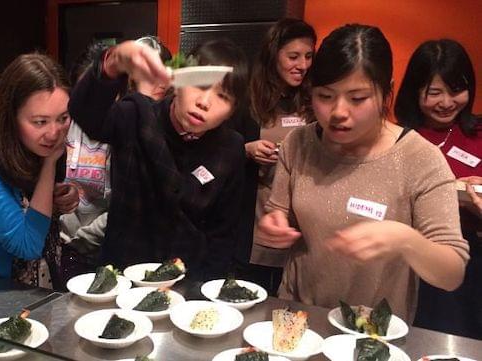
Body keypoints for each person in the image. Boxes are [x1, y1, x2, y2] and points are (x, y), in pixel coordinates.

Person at [256, 24, 469, 322]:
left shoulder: (420, 158)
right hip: (299, 316)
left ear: (386, 92)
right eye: (325, 96)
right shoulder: (299, 143)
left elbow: (452, 272)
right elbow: (280, 209)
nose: (338, 111)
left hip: (372, 330)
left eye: (357, 98)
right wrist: (275, 223)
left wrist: (406, 240)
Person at [69, 39, 248, 280]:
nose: (204, 102)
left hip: (187, 282)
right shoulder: (137, 114)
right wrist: (111, 64)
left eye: (223, 96)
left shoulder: (231, 147)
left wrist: (203, 290)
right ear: (178, 81)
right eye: (198, 85)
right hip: (122, 277)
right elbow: (84, 112)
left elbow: (223, 233)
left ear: (233, 110)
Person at [0, 53, 78, 287]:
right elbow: (27, 244)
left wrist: (56, 198)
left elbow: (31, 207)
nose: (54, 133)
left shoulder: (33, 143)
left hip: (43, 284)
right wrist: (49, 165)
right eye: (40, 121)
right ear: (10, 116)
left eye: (63, 118)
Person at [395, 39, 481, 337]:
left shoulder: (479, 133)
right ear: (415, 91)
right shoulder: (399, 138)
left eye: (456, 91)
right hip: (410, 258)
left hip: (471, 261)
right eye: (434, 93)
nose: (447, 102)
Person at [233, 18, 316, 295]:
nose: (302, 65)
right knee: (252, 294)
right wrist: (246, 149)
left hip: (301, 214)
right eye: (293, 56)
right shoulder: (248, 99)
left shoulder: (312, 99)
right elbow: (219, 150)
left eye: (308, 56)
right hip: (255, 213)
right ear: (273, 56)